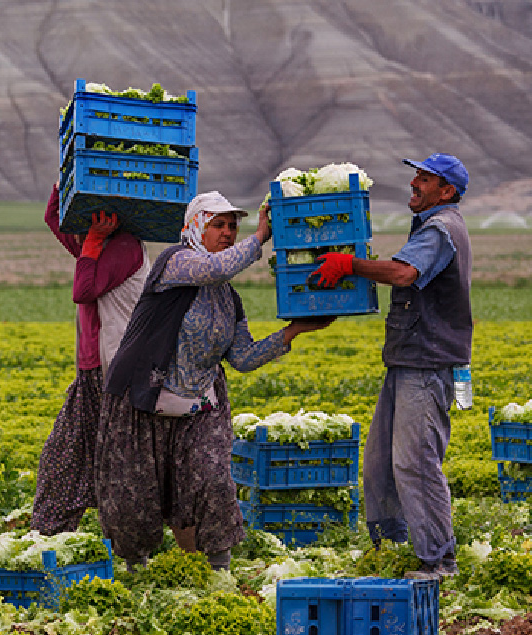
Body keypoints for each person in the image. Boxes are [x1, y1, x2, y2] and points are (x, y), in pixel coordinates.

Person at [96, 191, 332, 571]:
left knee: (214, 481)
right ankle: (135, 572)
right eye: (218, 225)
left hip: (198, 405)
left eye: (232, 226)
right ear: (195, 227)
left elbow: (242, 358)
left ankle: (218, 570)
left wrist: (294, 331)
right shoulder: (174, 263)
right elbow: (214, 269)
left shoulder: (229, 299)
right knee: (136, 496)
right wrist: (259, 239)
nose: (227, 233)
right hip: (144, 398)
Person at [310, 153, 472, 580]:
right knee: (381, 462)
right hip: (407, 359)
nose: (414, 183)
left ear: (447, 191)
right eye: (415, 175)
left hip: (427, 363)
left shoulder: (441, 229)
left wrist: (350, 265)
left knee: (416, 462)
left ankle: (438, 560)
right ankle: (395, 548)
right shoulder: (430, 226)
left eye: (425, 178)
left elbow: (403, 274)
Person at [31, 183, 148, 534]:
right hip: (92, 370)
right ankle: (51, 534)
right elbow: (55, 220)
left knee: (106, 458)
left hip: (112, 370)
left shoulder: (125, 246)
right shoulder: (99, 246)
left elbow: (83, 291)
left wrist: (95, 241)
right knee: (67, 454)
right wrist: (60, 181)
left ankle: (128, 540)